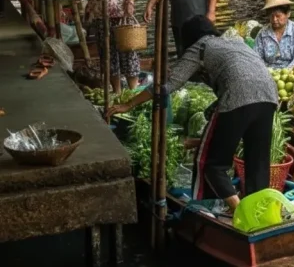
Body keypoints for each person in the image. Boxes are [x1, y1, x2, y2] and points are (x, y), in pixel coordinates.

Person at [105, 15, 279, 211]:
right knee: (258, 164)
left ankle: (241, 212)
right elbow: (241, 75)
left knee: (210, 164)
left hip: (239, 97)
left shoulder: (201, 46)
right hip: (269, 96)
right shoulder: (234, 42)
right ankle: (260, 212)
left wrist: (129, 104)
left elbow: (166, 86)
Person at [254, 0, 294, 69]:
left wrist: (285, 73)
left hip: (292, 73)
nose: (274, 19)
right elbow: (257, 58)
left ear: (288, 14)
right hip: (268, 73)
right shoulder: (262, 34)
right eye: (271, 16)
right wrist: (267, 72)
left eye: (278, 16)